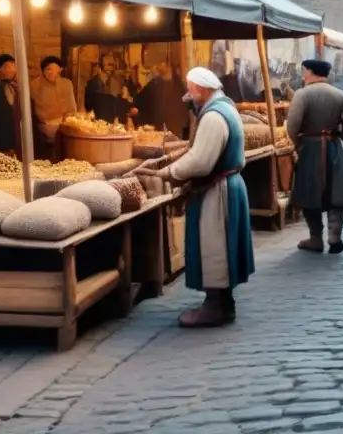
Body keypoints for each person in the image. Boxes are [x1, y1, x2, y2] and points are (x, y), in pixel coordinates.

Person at [150, 68, 255, 327]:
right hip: (225, 184)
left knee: (215, 245)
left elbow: (201, 162)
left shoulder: (214, 116)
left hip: (217, 190)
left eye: (191, 90)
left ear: (200, 88)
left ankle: (215, 307)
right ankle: (222, 303)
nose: (190, 96)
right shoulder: (226, 107)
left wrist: (169, 172)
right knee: (219, 244)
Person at [287, 59, 343, 254]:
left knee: (310, 192)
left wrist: (297, 144)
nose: (303, 74)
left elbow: (292, 125)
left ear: (310, 72)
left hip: (310, 148)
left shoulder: (302, 95)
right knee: (336, 191)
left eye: (304, 71)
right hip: (334, 148)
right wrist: (338, 137)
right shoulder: (341, 95)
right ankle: (334, 237)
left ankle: (315, 239)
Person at [30, 56, 78, 162]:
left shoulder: (67, 83)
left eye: (54, 69)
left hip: (64, 125)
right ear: (43, 71)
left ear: (60, 70)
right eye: (48, 69)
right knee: (46, 158)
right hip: (43, 129)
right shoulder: (34, 85)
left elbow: (72, 106)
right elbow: (35, 110)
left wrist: (69, 121)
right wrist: (45, 124)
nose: (51, 72)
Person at [134, 61, 189, 139]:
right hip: (156, 135)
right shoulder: (153, 84)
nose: (156, 63)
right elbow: (139, 103)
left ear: (168, 64)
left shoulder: (181, 86)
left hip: (176, 136)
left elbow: (185, 113)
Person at [85, 54, 138, 124]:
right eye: (108, 65)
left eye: (112, 65)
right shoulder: (95, 84)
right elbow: (109, 105)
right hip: (102, 124)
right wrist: (124, 99)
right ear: (100, 69)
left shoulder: (113, 81)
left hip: (108, 123)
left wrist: (125, 98)